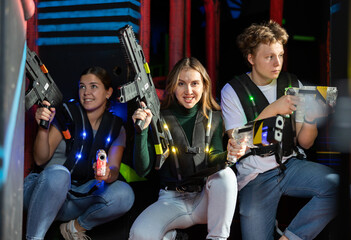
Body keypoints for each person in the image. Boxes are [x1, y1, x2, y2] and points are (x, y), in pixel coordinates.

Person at [221, 20, 339, 240]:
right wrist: (274, 109)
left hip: (289, 165)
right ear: (251, 59)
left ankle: (290, 237)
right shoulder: (232, 90)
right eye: (269, 57)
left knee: (336, 188)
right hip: (254, 175)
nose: (278, 63)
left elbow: (305, 143)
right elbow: (237, 140)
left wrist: (311, 119)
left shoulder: (293, 84)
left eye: (281, 55)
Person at [129, 57, 244, 240]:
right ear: (173, 86)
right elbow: (143, 169)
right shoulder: (158, 117)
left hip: (204, 198)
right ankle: (173, 236)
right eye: (181, 83)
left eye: (195, 83)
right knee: (139, 235)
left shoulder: (214, 117)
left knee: (225, 174)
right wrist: (141, 132)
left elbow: (213, 157)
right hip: (171, 199)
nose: (188, 90)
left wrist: (228, 156)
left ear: (204, 86)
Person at [23, 66, 135, 240]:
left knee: (125, 194)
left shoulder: (116, 128)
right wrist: (43, 128)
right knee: (60, 174)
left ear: (108, 92)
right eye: (82, 86)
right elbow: (40, 159)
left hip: (75, 198)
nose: (86, 92)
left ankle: (74, 228)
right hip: (42, 192)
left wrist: (107, 173)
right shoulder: (66, 115)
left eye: (93, 86)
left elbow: (113, 169)